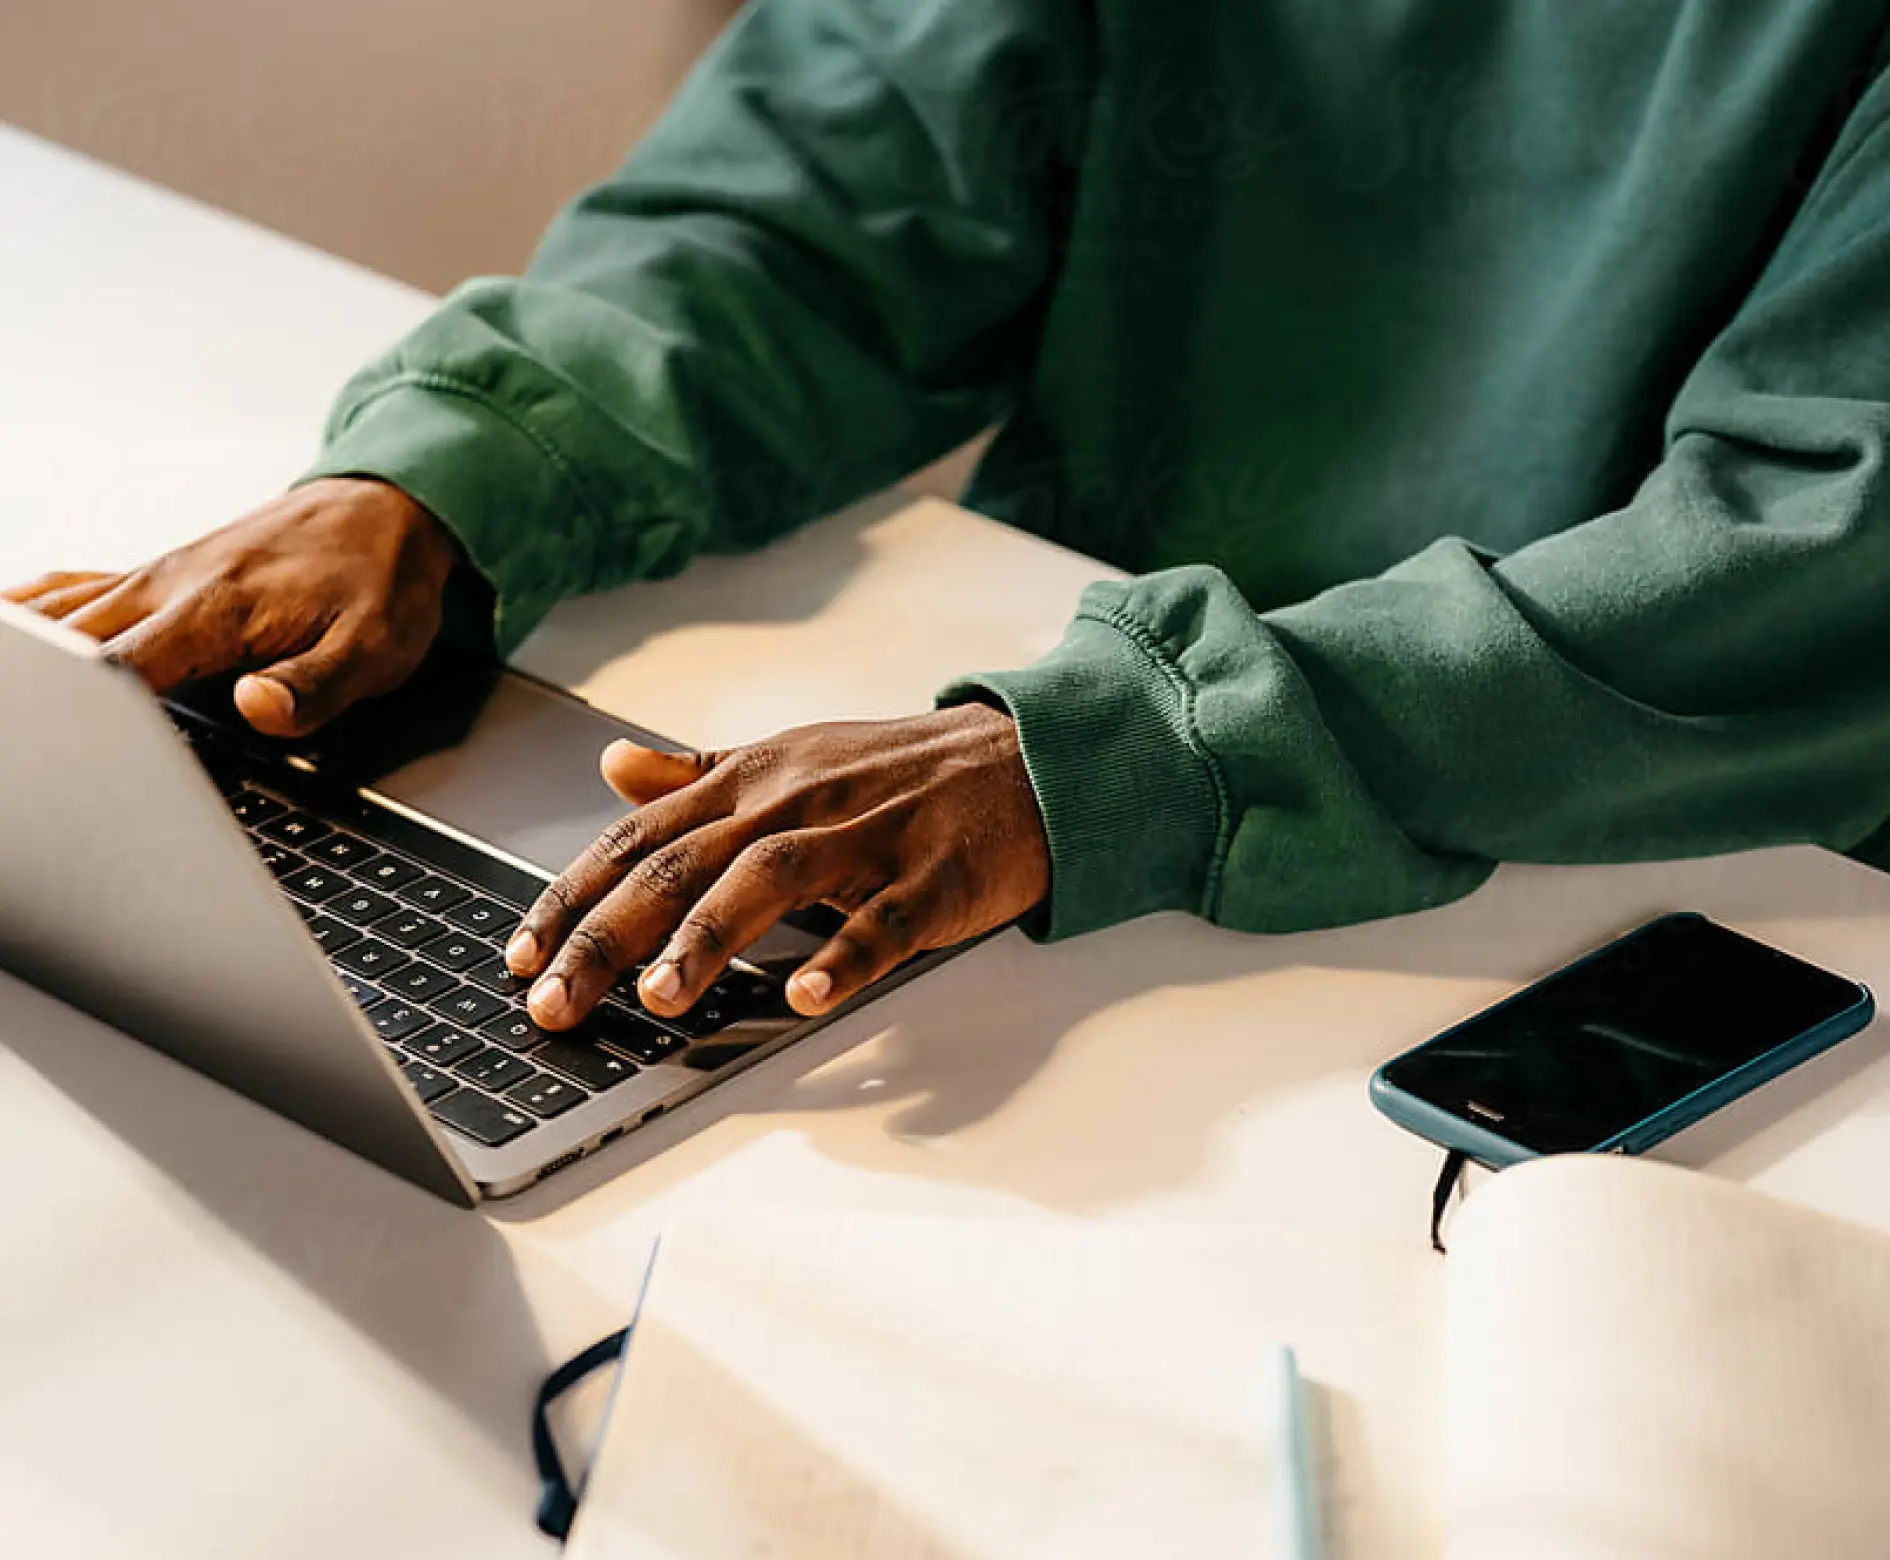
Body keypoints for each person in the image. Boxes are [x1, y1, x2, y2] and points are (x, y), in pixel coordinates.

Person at [14, 2, 1890, 1039]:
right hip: (1052, 820)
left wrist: (1111, 758)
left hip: (1679, 900)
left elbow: (1812, 555)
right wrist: (438, 480)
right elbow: (835, 190)